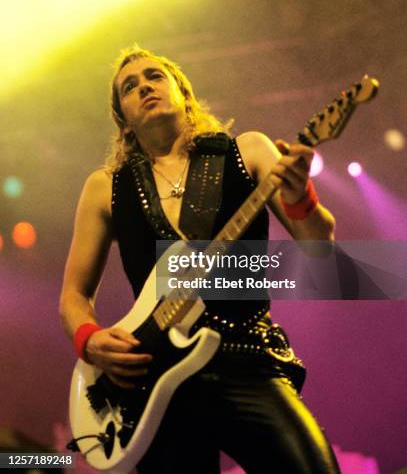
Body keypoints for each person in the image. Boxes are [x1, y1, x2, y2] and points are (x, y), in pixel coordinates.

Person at [60, 47, 340, 473]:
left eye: (154, 75)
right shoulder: (104, 188)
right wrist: (90, 341)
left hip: (248, 360)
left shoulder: (248, 150)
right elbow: (74, 296)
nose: (144, 87)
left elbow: (320, 247)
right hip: (151, 387)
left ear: (183, 93)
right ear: (123, 118)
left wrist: (301, 197)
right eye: (129, 87)